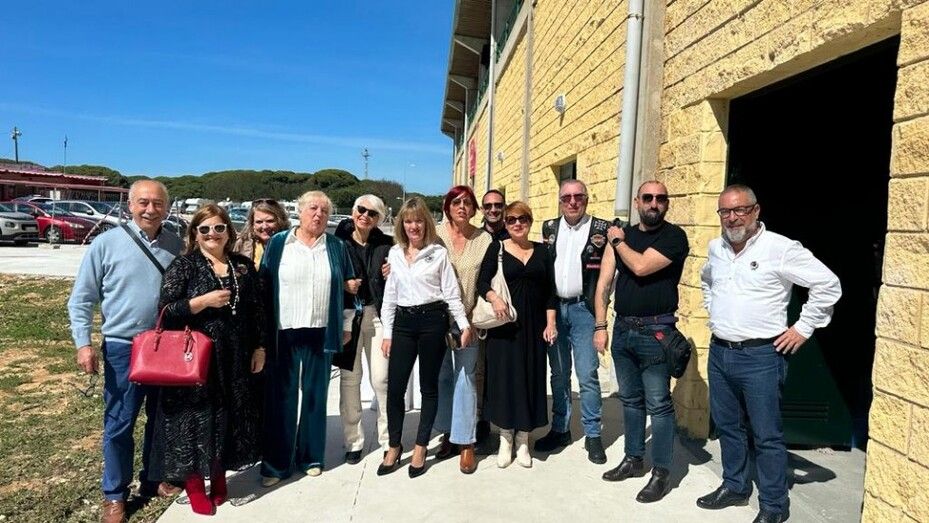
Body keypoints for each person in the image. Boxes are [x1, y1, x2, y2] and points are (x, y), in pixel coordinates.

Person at [698, 184, 841, 523]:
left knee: (766, 436)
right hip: (720, 352)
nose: (732, 217)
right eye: (725, 211)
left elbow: (828, 284)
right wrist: (713, 310)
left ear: (756, 211)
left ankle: (774, 506)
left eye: (740, 210)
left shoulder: (781, 248)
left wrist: (803, 327)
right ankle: (735, 486)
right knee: (728, 427)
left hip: (761, 357)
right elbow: (707, 280)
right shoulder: (716, 248)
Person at [67, 180, 184, 523]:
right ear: (130, 206)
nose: (150, 209)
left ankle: (153, 478)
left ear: (167, 207)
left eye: (158, 203)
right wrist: (83, 343)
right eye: (143, 202)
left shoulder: (177, 245)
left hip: (165, 345)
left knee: (161, 419)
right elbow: (81, 299)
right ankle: (115, 495)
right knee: (119, 422)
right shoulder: (105, 244)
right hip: (123, 347)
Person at [153, 204, 265, 515]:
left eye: (218, 228)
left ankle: (218, 476)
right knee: (194, 421)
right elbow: (166, 311)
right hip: (196, 358)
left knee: (227, 417)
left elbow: (257, 310)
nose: (212, 234)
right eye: (204, 229)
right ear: (195, 234)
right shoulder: (185, 265)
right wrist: (202, 302)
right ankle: (193, 485)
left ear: (229, 231)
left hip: (235, 357)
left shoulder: (242, 266)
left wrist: (260, 347)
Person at [594, 181, 689, 503]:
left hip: (656, 333)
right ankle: (633, 459)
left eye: (660, 198)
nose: (653, 203)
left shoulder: (673, 237)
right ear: (637, 202)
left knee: (659, 404)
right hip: (623, 329)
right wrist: (600, 325)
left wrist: (617, 241)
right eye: (647, 198)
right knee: (631, 400)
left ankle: (661, 472)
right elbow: (604, 283)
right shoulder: (622, 236)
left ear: (667, 203)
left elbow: (640, 266)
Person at [259, 191, 355, 486]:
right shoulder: (279, 243)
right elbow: (263, 287)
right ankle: (276, 464)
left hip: (321, 331)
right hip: (283, 331)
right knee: (281, 398)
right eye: (313, 208)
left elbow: (349, 289)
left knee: (316, 396)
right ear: (299, 212)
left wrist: (346, 325)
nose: (319, 214)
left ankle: (311, 457)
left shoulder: (336, 246)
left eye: (325, 210)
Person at [377, 197, 471, 478]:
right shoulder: (394, 253)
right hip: (403, 323)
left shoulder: (437, 253)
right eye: (408, 221)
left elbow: (451, 293)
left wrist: (463, 324)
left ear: (426, 223)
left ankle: (420, 447)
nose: (413, 226)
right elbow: (389, 297)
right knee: (395, 388)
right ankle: (394, 446)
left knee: (429, 387)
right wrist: (387, 333)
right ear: (401, 224)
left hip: (432, 321)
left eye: (418, 220)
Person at [478, 201, 557, 468]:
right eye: (511, 219)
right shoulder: (497, 248)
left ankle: (523, 439)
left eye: (522, 218)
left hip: (534, 326)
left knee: (531, 378)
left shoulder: (543, 251)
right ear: (506, 223)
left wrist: (551, 323)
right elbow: (482, 282)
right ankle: (505, 437)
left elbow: (550, 291)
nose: (517, 224)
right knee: (504, 380)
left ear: (530, 221)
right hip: (504, 325)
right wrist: (494, 298)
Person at [538, 179, 610, 464]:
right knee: (558, 374)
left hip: (584, 310)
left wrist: (601, 323)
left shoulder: (602, 229)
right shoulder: (549, 228)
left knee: (587, 374)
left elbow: (609, 279)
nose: (572, 201)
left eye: (578, 196)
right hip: (555, 309)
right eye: (566, 197)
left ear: (586, 199)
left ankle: (593, 434)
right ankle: (560, 429)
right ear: (560, 201)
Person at [433, 185, 492, 474]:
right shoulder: (435, 235)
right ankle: (448, 433)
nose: (461, 207)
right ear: (447, 207)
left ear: (473, 209)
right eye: (456, 202)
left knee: (466, 377)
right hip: (435, 318)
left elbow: (488, 278)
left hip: (468, 319)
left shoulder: (484, 239)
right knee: (443, 377)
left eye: (467, 202)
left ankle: (466, 441)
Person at [334, 194, 393, 465]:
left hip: (377, 316)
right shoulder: (338, 243)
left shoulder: (387, 245)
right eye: (361, 209)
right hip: (348, 317)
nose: (365, 216)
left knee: (381, 379)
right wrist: (343, 284)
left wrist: (394, 272)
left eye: (372, 213)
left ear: (379, 219)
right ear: (353, 210)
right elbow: (326, 276)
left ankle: (388, 439)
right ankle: (353, 441)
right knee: (349, 379)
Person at [232, 198, 291, 265]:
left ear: (280, 222)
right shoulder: (241, 244)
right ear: (252, 224)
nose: (265, 226)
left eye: (270, 221)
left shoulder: (291, 244)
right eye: (259, 222)